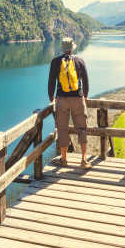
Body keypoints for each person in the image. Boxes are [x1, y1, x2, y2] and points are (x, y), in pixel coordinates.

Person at [48, 37, 90, 167]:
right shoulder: (80, 61)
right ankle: (84, 160)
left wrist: (51, 97)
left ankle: (64, 159)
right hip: (78, 98)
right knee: (82, 128)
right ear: (72, 49)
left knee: (62, 129)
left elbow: (51, 81)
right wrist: (85, 95)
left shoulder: (55, 62)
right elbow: (86, 80)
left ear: (62, 49)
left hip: (62, 99)